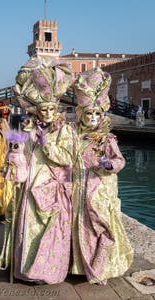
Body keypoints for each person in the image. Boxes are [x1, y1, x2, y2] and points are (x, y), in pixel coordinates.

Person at [0, 57, 76, 285]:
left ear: (57, 108)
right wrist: (15, 153)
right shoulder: (25, 127)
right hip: (29, 187)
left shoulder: (65, 131)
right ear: (37, 110)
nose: (48, 113)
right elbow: (14, 153)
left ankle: (46, 271)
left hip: (53, 189)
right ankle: (26, 269)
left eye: (52, 109)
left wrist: (46, 144)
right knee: (29, 230)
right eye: (44, 109)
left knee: (49, 232)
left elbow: (67, 157)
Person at [71, 68, 134, 284]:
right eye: (89, 113)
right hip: (77, 188)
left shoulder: (107, 139)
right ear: (81, 114)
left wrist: (109, 164)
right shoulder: (74, 136)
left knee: (100, 227)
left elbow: (120, 161)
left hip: (100, 191)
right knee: (78, 227)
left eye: (97, 114)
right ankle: (79, 266)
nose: (93, 118)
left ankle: (99, 268)